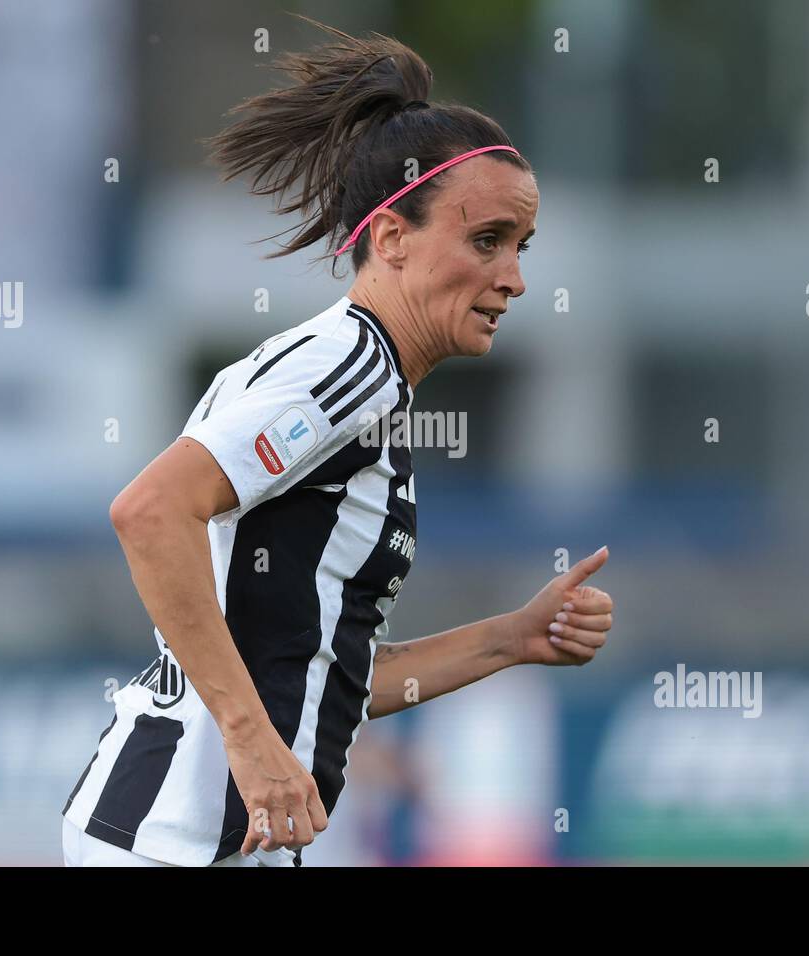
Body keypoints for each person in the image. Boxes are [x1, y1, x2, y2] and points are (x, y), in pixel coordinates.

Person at [61, 15, 614, 867]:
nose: (514, 277)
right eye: (487, 241)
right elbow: (149, 511)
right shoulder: (347, 367)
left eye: (521, 246)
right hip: (176, 841)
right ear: (391, 238)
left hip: (202, 840)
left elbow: (322, 677)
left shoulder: (367, 389)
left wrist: (513, 638)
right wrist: (251, 743)